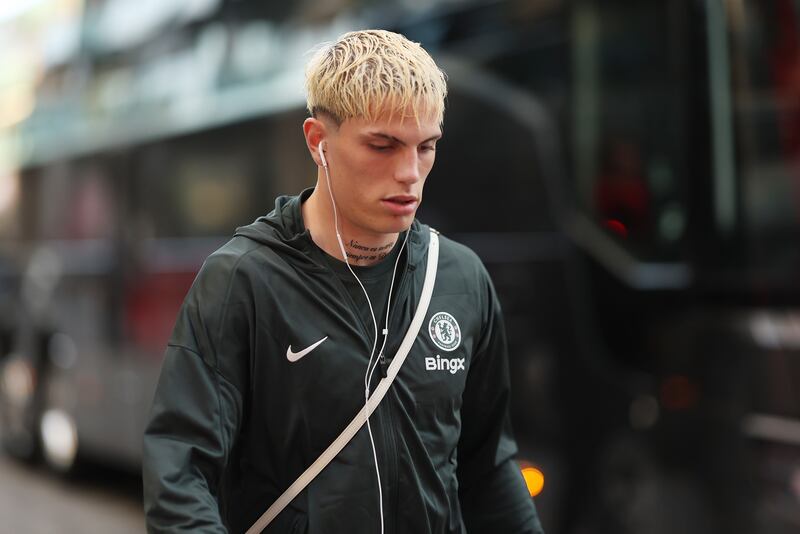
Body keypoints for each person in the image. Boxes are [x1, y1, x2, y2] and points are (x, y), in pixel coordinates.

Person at [142, 29, 544, 534]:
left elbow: (488, 468)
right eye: (383, 145)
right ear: (318, 142)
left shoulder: (461, 277)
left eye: (426, 146)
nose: (409, 173)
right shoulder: (241, 281)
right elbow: (180, 474)